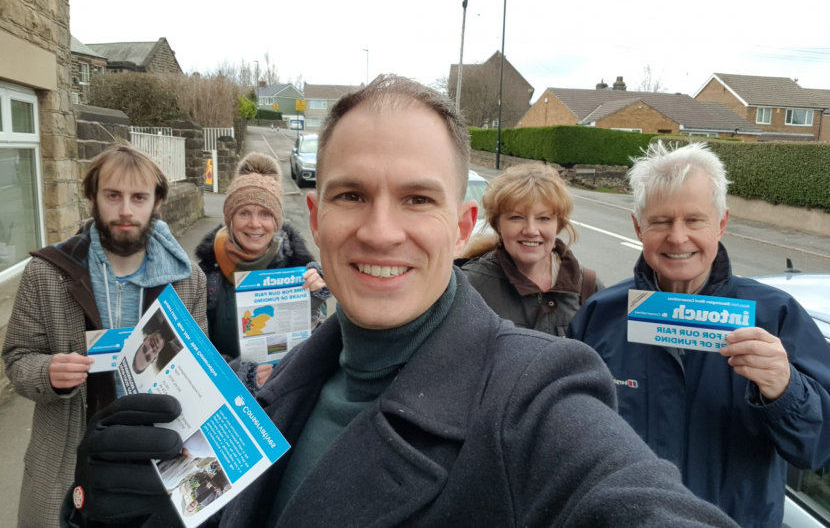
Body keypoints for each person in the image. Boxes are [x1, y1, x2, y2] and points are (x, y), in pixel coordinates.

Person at [63, 77, 740, 528]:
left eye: (417, 198)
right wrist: (96, 510)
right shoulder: (272, 394)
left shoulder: (535, 396)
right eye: (352, 195)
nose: (380, 230)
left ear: (460, 223)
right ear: (316, 215)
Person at [568, 141, 830, 527]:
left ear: (721, 223)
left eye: (694, 220)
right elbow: (571, 438)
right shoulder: (600, 315)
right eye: (661, 222)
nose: (677, 237)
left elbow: (818, 451)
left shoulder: (776, 315)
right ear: (639, 227)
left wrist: (785, 389)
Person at [2, 144, 207, 528]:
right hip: (67, 453)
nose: (126, 210)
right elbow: (17, 357)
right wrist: (46, 372)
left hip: (152, 455)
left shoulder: (188, 281)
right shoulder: (47, 273)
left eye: (138, 197)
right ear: (92, 197)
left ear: (157, 202)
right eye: (113, 196)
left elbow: (197, 370)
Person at [195, 152, 329, 387]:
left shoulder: (299, 272)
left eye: (265, 214)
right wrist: (240, 373)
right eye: (244, 213)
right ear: (230, 219)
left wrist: (315, 312)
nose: (255, 224)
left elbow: (317, 355)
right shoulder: (205, 276)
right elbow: (194, 353)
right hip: (226, 400)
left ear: (276, 220)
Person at [459, 164, 603, 336]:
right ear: (497, 224)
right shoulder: (468, 285)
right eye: (516, 217)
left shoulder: (587, 286)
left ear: (558, 225)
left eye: (543, 218)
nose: (531, 230)